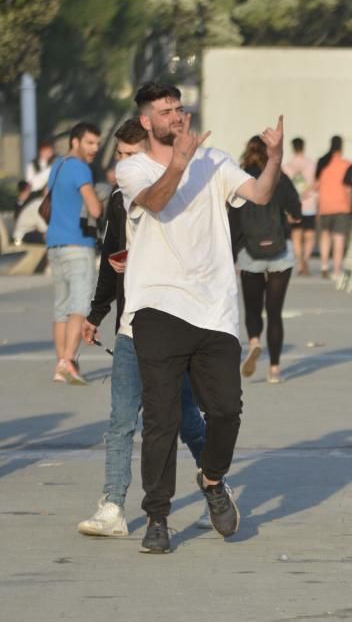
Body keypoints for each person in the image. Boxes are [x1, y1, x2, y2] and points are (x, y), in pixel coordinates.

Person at [115, 81, 283, 554]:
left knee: (227, 410)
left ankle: (212, 480)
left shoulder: (216, 160)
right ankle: (158, 517)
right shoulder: (132, 167)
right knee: (162, 421)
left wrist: (273, 158)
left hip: (214, 308)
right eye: (165, 111)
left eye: (179, 108)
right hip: (157, 307)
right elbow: (155, 201)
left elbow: (261, 195)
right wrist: (181, 162)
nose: (176, 116)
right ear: (146, 121)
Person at [78, 118, 210, 537]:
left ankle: (214, 480)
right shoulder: (119, 200)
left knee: (186, 418)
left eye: (130, 157)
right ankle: (113, 506)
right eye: (118, 157)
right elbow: (109, 257)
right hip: (132, 327)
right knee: (121, 420)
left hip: (179, 326)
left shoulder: (187, 195)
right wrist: (97, 311)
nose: (122, 167)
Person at [233, 136, 302, 384]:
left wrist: (232, 255)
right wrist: (291, 217)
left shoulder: (240, 178)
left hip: (249, 251)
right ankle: (274, 369)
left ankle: (253, 342)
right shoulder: (280, 178)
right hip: (279, 251)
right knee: (274, 312)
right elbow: (297, 210)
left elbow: (233, 219)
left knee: (252, 307)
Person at [46, 122, 104, 385]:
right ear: (75, 142)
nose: (94, 148)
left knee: (61, 309)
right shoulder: (80, 168)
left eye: (97, 144)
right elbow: (94, 209)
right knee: (79, 307)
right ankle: (69, 361)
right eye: (90, 143)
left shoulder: (57, 166)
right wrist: (99, 200)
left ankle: (61, 363)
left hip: (55, 245)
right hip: (78, 245)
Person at [315, 135, 352, 280]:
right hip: (341, 206)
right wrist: (350, 206)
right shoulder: (346, 164)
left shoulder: (322, 163)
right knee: (339, 239)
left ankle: (324, 266)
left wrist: (318, 208)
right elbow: (348, 188)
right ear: (341, 147)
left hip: (325, 206)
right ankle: (336, 270)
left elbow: (316, 186)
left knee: (325, 236)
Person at [282, 137, 317, 275]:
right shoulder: (312, 164)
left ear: (292, 148)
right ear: (304, 146)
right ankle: (306, 259)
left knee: (296, 236)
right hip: (310, 204)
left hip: (295, 204)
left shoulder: (287, 166)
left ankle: (300, 263)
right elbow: (315, 184)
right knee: (309, 235)